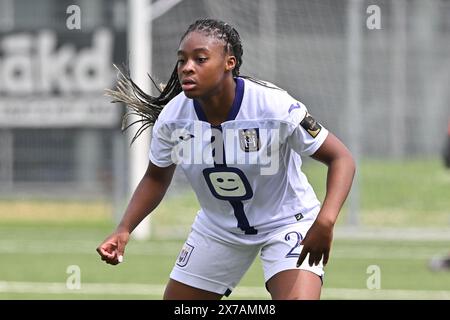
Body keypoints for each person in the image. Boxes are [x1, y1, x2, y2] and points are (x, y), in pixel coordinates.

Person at [96, 18, 355, 300]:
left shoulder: (273, 106)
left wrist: (325, 221)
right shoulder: (173, 118)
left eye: (201, 59)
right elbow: (156, 178)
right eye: (182, 60)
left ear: (229, 63)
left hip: (287, 222)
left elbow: (341, 158)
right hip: (218, 229)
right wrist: (124, 228)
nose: (187, 68)